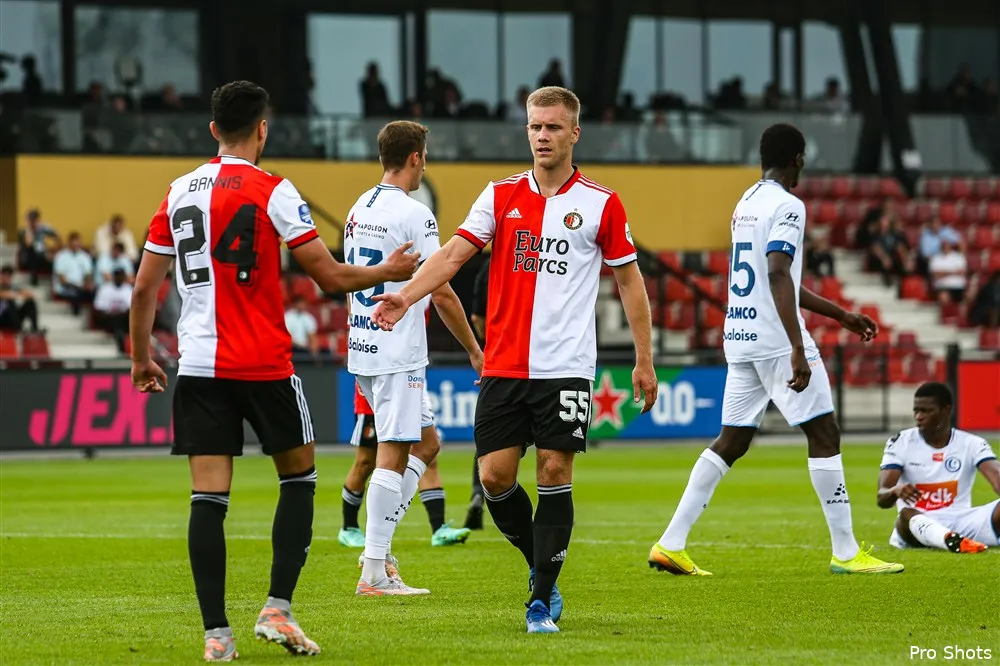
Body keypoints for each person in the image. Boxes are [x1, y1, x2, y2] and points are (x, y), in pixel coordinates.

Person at [127, 80, 418, 662]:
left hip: (200, 365)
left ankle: (217, 636)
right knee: (299, 479)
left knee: (207, 500)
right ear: (263, 129)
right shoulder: (273, 190)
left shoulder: (178, 191)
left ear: (213, 130)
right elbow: (330, 279)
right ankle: (277, 609)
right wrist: (387, 269)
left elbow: (143, 288)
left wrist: (141, 357)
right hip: (262, 363)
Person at [372, 86, 657, 633]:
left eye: (553, 127)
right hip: (504, 365)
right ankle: (538, 565)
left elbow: (629, 282)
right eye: (534, 126)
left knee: (554, 469)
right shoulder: (500, 195)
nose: (542, 136)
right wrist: (407, 295)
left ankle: (540, 600)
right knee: (495, 477)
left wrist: (643, 360)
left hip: (566, 367)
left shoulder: (601, 202)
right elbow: (454, 254)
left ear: (574, 133)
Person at [648, 123, 903, 577]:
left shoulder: (746, 202)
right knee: (824, 435)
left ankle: (670, 543)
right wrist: (796, 347)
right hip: (773, 340)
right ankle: (846, 553)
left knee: (732, 440)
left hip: (740, 337)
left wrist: (839, 314)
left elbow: (780, 277)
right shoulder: (789, 205)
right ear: (798, 158)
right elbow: (777, 274)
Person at [345, 120, 483, 597]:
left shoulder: (358, 206)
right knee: (393, 452)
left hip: (362, 345)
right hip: (395, 350)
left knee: (427, 446)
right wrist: (473, 349)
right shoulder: (415, 212)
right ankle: (373, 572)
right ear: (417, 158)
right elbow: (441, 290)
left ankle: (377, 556)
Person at [338, 382, 472, 548]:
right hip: (376, 390)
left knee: (428, 454)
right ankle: (349, 528)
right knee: (366, 462)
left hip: (411, 389)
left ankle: (439, 529)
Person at [877, 382, 998, 553]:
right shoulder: (900, 442)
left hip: (962, 522)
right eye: (916, 411)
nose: (918, 416)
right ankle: (950, 540)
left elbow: (997, 480)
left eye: (926, 411)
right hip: (917, 523)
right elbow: (881, 497)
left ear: (946, 410)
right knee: (905, 514)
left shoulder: (972, 443)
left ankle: (957, 540)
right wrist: (895, 490)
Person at [52, 232, 94, 316]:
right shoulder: (61, 256)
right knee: (75, 292)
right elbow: (61, 278)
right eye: (74, 243)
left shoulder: (85, 257)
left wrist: (87, 284)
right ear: (69, 243)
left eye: (78, 243)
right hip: (66, 287)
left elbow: (88, 274)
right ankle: (76, 315)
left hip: (81, 287)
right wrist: (77, 286)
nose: (76, 246)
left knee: (94, 292)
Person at [93, 268, 132, 353]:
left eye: (120, 276)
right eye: (117, 276)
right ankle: (122, 345)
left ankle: (123, 343)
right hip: (108, 317)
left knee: (123, 320)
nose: (119, 278)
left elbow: (130, 307)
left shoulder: (128, 289)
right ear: (113, 277)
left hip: (123, 317)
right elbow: (98, 306)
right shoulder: (105, 288)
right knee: (116, 321)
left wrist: (119, 312)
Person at [17, 209, 59, 286]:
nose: (33, 222)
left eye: (34, 220)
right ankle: (34, 278)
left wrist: (53, 251)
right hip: (29, 258)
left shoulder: (43, 228)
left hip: (42, 256)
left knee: (54, 260)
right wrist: (29, 229)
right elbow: (28, 244)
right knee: (32, 252)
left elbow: (57, 236)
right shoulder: (23, 231)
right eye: (31, 220)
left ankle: (55, 283)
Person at [0, 265, 39, 333]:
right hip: (2, 317)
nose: (7, 278)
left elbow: (30, 295)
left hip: (13, 318)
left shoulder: (13, 287)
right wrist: (16, 295)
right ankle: (18, 327)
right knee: (9, 303)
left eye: (9, 276)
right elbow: (4, 295)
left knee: (30, 303)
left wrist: (19, 294)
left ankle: (35, 329)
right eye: (5, 275)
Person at [928, 239, 968, 305]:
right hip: (942, 286)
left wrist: (944, 272)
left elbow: (961, 272)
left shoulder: (959, 257)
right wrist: (953, 272)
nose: (946, 248)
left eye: (948, 246)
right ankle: (945, 313)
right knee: (944, 296)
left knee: (967, 297)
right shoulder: (935, 258)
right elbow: (935, 275)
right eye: (944, 246)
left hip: (958, 286)